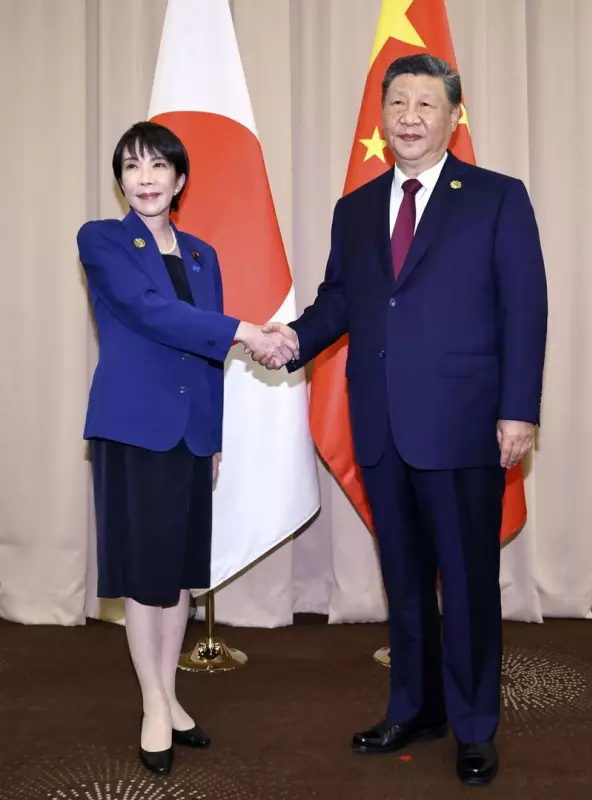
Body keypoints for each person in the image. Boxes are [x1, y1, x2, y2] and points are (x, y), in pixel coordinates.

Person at [257, 55, 547, 786]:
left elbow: (525, 308)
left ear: (453, 116)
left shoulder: (497, 197)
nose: (409, 116)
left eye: (425, 103)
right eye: (397, 103)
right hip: (381, 422)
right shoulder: (355, 208)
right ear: (381, 116)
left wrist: (519, 410)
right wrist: (291, 339)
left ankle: (475, 726)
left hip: (464, 424)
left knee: (469, 582)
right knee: (405, 580)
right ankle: (415, 707)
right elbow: (341, 299)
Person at [77, 121, 297, 776]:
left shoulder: (203, 255)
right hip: (133, 428)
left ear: (180, 179)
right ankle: (152, 702)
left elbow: (207, 357)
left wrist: (214, 438)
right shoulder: (102, 240)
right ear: (120, 180)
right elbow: (151, 311)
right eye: (132, 166)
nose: (144, 178)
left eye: (158, 166)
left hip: (191, 434)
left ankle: (170, 697)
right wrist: (248, 330)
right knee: (144, 576)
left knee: (177, 576)